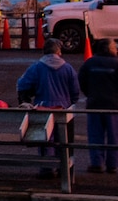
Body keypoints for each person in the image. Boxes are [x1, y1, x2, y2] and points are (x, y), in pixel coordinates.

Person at [18, 43, 84, 178]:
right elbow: (75, 91)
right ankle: (64, 169)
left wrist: (25, 101)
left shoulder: (36, 67)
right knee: (65, 141)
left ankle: (47, 169)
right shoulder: (68, 68)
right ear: (59, 51)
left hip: (42, 108)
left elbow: (22, 84)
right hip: (64, 110)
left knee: (45, 140)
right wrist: (70, 102)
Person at [79, 40, 118, 174]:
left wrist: (90, 94)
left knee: (95, 135)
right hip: (113, 106)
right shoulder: (116, 64)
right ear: (110, 49)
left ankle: (97, 163)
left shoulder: (89, 63)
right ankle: (112, 164)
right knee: (114, 136)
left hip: (94, 104)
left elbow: (82, 81)